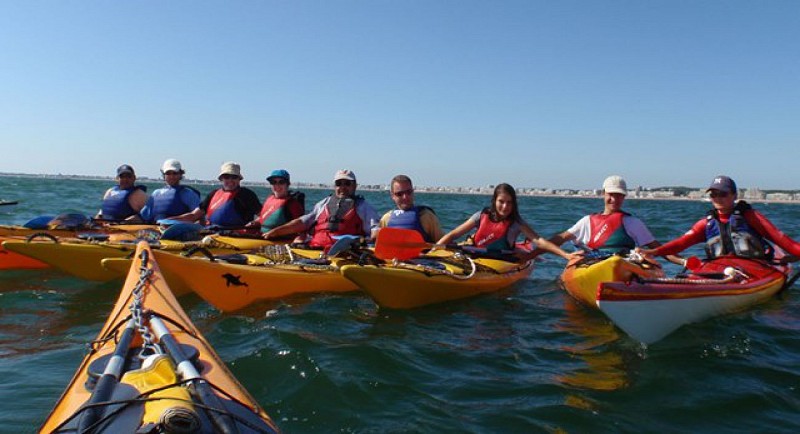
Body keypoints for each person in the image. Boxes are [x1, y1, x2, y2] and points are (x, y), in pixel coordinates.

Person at [640, 175, 800, 261]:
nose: (717, 198)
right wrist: (654, 252)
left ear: (734, 195)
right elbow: (681, 243)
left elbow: (783, 241)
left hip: (755, 269)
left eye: (723, 194)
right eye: (713, 194)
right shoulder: (706, 224)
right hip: (721, 271)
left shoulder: (751, 217)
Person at [541, 175, 683, 264]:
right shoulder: (586, 221)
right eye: (611, 194)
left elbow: (658, 249)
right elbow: (559, 239)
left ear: (624, 197)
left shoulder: (633, 223)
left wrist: (684, 262)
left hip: (623, 264)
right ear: (603, 193)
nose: (614, 199)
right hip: (593, 264)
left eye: (619, 195)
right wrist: (534, 254)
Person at [437, 183, 577, 260]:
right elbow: (453, 234)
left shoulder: (516, 222)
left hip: (502, 261)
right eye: (501, 201)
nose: (505, 206)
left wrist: (566, 255)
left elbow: (540, 241)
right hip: (476, 256)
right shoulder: (480, 216)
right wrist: (433, 250)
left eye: (509, 202)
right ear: (494, 201)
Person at [263, 169, 379, 250]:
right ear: (335, 186)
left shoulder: (363, 207)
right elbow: (302, 222)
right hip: (315, 248)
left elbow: (375, 230)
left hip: (345, 253)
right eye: (339, 183)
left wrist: (366, 241)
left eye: (347, 183)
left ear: (355, 186)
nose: (342, 187)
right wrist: (276, 232)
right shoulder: (323, 203)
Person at [170, 162, 261, 227]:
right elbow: (194, 215)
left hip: (238, 236)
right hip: (213, 234)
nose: (230, 180)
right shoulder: (213, 194)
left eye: (234, 177)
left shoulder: (247, 195)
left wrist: (255, 223)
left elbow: (262, 216)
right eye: (226, 177)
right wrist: (169, 220)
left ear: (239, 179)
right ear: (221, 179)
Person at [378, 174, 443, 242]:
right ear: (392, 196)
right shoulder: (386, 219)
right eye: (399, 194)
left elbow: (442, 243)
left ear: (413, 192)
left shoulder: (427, 216)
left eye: (408, 192)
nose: (405, 197)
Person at [245, 169, 305, 239]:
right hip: (262, 237)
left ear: (288, 184)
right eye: (273, 182)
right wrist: (254, 222)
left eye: (281, 182)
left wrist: (276, 232)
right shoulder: (270, 199)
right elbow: (263, 218)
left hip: (280, 240)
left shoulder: (292, 204)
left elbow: (301, 227)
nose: (277, 185)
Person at [140, 159, 202, 223]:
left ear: (180, 174)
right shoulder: (156, 194)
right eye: (168, 173)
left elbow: (199, 216)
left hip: (178, 228)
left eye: (175, 173)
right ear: (164, 175)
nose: (171, 176)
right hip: (157, 227)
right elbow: (143, 216)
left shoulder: (188, 194)